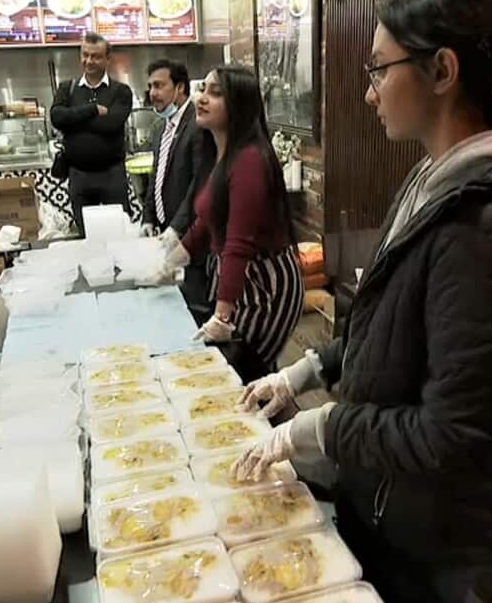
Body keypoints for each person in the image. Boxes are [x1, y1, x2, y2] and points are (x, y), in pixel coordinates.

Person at [232, 0, 492, 603]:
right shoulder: (436, 180)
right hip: (391, 498)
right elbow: (388, 324)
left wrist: (318, 428)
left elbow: (453, 433)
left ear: (441, 71)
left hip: (436, 526)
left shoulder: (486, 228)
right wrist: (304, 374)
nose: (369, 93)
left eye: (380, 69)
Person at [159, 66, 304, 383]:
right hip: (241, 280)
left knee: (247, 376)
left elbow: (238, 244)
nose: (202, 98)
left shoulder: (250, 159)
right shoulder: (221, 155)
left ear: (239, 104)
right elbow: (206, 223)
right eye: (203, 89)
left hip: (266, 287)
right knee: (250, 380)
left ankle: (285, 432)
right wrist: (169, 260)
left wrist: (221, 316)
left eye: (215, 93)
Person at [139, 58, 210, 317]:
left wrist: (177, 228)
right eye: (150, 87)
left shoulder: (197, 125)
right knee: (171, 303)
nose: (153, 93)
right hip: (164, 231)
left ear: (179, 88)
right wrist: (148, 217)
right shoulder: (160, 127)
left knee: (195, 304)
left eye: (159, 86)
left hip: (192, 233)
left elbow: (199, 184)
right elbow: (155, 178)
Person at [49, 32, 134, 237]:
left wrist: (73, 121)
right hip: (79, 175)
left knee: (119, 234)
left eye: (95, 56)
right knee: (86, 236)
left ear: (107, 58)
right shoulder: (67, 88)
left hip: (112, 175)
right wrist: (93, 110)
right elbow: (57, 118)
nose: (89, 61)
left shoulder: (121, 91)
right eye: (85, 55)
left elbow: (112, 124)